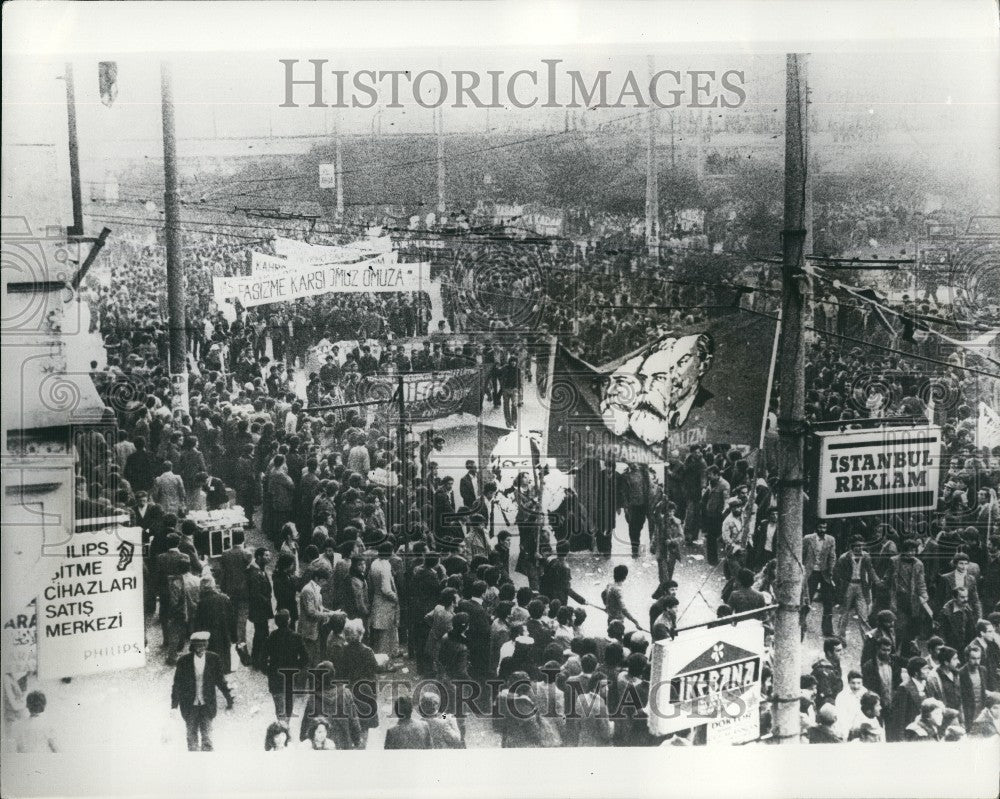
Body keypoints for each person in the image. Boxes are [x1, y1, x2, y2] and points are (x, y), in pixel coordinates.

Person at [170, 631, 233, 751]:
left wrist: (229, 698)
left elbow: (220, 681)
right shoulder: (183, 661)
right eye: (198, 645)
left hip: (207, 705)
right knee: (191, 738)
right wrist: (174, 706)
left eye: (203, 645)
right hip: (189, 706)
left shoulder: (214, 659)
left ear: (207, 644)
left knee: (207, 738)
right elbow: (177, 684)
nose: (201, 648)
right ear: (193, 646)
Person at [264, 610, 308, 720]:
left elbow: (262, 658)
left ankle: (282, 730)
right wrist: (296, 668)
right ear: (288, 621)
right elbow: (305, 658)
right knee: (288, 707)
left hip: (275, 677)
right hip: (290, 677)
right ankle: (286, 729)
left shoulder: (272, 636)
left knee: (279, 709)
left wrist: (268, 671)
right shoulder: (296, 637)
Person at [834, 537, 878, 642]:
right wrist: (840, 586)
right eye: (857, 545)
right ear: (852, 546)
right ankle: (840, 637)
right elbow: (836, 573)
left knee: (863, 614)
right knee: (844, 612)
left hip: (861, 586)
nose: (859, 548)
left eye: (861, 545)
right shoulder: (844, 557)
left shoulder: (866, 556)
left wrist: (877, 582)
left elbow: (870, 570)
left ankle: (868, 638)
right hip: (848, 586)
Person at [193, 575, 238, 674]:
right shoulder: (225, 599)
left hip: (209, 639)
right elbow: (232, 620)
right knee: (223, 668)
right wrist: (234, 638)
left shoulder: (202, 603)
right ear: (213, 586)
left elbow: (197, 625)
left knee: (211, 669)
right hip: (224, 636)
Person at [802, 521, 837, 637]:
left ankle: (827, 629)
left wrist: (831, 572)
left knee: (828, 601)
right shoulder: (808, 539)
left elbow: (832, 556)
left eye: (825, 527)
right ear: (816, 527)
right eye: (820, 527)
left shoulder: (830, 540)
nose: (823, 529)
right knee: (807, 597)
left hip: (824, 572)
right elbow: (802, 554)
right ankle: (801, 622)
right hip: (811, 572)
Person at [216, 530, 251, 644]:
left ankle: (233, 637)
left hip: (230, 590)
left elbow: (223, 573)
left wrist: (222, 588)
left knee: (232, 615)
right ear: (243, 539)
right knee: (242, 619)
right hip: (244, 591)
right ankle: (241, 642)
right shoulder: (247, 554)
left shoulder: (225, 554)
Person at [887, 656, 931, 742]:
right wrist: (900, 739)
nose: (928, 671)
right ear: (916, 672)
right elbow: (899, 718)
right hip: (910, 734)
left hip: (924, 733)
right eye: (924, 669)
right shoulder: (904, 688)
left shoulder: (926, 685)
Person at [368, 542, 400, 656]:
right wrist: (396, 598)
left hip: (377, 600)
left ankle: (388, 654)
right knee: (385, 634)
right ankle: (384, 660)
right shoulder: (385, 566)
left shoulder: (375, 563)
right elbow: (386, 589)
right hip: (386, 603)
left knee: (381, 633)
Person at [247, 547, 274, 670]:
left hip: (261, 609)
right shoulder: (254, 572)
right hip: (259, 610)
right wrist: (266, 601)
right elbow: (255, 593)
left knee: (262, 633)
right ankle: (258, 660)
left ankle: (258, 659)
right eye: (266, 556)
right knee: (261, 634)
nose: (269, 558)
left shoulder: (260, 569)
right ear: (259, 557)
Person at [935, 586, 977, 654]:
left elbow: (972, 630)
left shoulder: (968, 610)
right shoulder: (945, 613)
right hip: (951, 650)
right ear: (954, 597)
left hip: (966, 649)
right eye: (962, 597)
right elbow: (941, 633)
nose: (966, 599)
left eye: (966, 596)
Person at [602, 564, 642, 631]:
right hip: (618, 620)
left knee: (611, 633)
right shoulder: (618, 590)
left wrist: (607, 606)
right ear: (624, 577)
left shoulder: (610, 585)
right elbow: (623, 609)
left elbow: (603, 594)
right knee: (618, 636)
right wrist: (635, 621)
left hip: (610, 616)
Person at [959, 645, 989, 727]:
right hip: (969, 713)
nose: (977, 662)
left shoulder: (983, 670)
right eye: (973, 658)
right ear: (967, 658)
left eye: (978, 658)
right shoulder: (961, 673)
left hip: (982, 711)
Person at [811, 637, 845, 710]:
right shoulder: (823, 672)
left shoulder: (835, 664)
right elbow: (826, 698)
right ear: (829, 653)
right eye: (838, 651)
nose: (842, 653)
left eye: (842, 650)